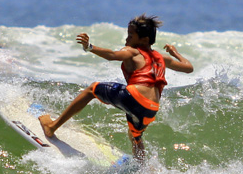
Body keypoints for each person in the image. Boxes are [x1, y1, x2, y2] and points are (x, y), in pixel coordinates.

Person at [38, 14, 193, 162]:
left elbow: (112, 54)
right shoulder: (163, 58)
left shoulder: (132, 51)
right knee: (135, 137)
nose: (127, 39)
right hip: (151, 108)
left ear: (144, 39)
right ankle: (142, 172)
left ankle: (52, 127)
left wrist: (90, 47)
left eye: (131, 35)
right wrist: (175, 53)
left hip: (135, 97)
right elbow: (188, 67)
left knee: (93, 89)